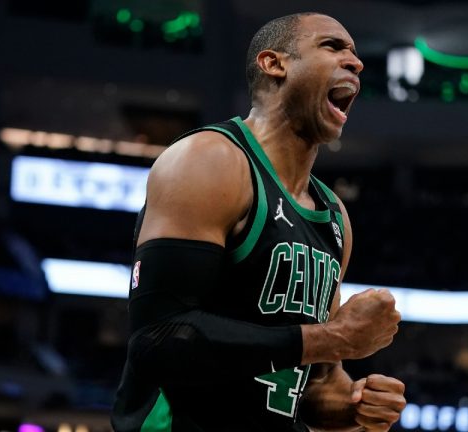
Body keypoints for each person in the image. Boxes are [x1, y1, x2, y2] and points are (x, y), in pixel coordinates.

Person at [112, 12, 406, 432]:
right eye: (333, 46)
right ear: (274, 64)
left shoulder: (334, 216)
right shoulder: (209, 161)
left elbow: (314, 385)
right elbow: (157, 341)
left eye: (356, 55)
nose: (356, 63)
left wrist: (357, 405)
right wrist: (330, 337)